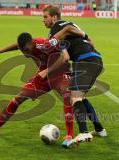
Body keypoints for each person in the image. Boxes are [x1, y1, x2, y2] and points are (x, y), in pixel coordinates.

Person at [0, 27, 86, 148]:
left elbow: (64, 57)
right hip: (43, 76)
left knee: (67, 98)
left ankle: (69, 136)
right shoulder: (25, 46)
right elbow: (16, 45)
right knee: (18, 98)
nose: (25, 53)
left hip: (59, 73)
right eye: (22, 51)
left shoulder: (44, 44)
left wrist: (47, 71)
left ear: (31, 43)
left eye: (26, 50)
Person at [41, 5, 107, 147]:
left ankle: (83, 132)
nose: (43, 20)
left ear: (54, 17)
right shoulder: (68, 24)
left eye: (45, 17)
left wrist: (48, 71)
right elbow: (71, 43)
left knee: (74, 97)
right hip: (94, 60)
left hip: (85, 61)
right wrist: (87, 37)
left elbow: (65, 56)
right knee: (81, 97)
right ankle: (99, 129)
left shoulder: (57, 26)